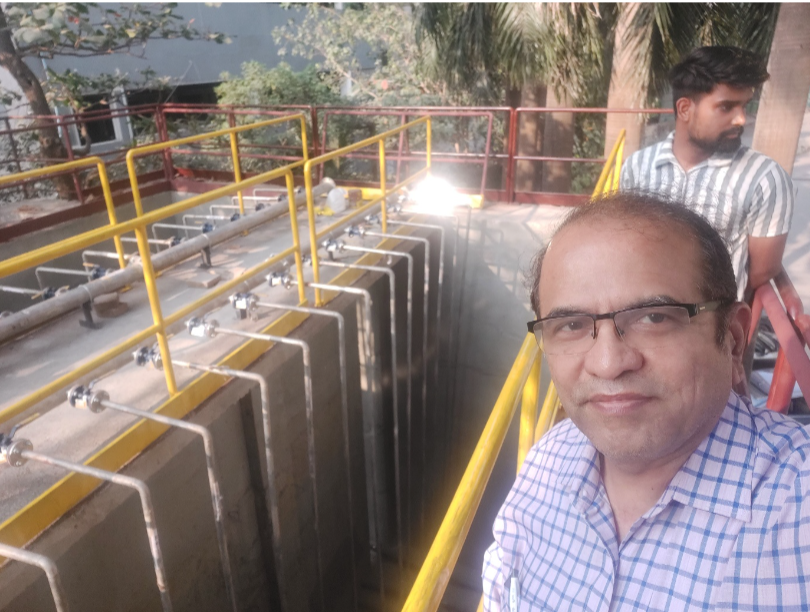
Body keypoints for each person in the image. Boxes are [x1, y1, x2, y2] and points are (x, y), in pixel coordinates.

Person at [482, 192, 810, 611]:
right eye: (571, 325)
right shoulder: (545, 465)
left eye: (654, 318)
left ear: (732, 339)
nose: (607, 364)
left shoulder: (796, 512)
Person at [620, 46, 794, 302]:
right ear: (684, 109)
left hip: (714, 319)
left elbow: (763, 270)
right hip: (642, 311)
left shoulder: (764, 178)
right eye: (726, 107)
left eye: (744, 106)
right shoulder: (638, 166)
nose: (741, 119)